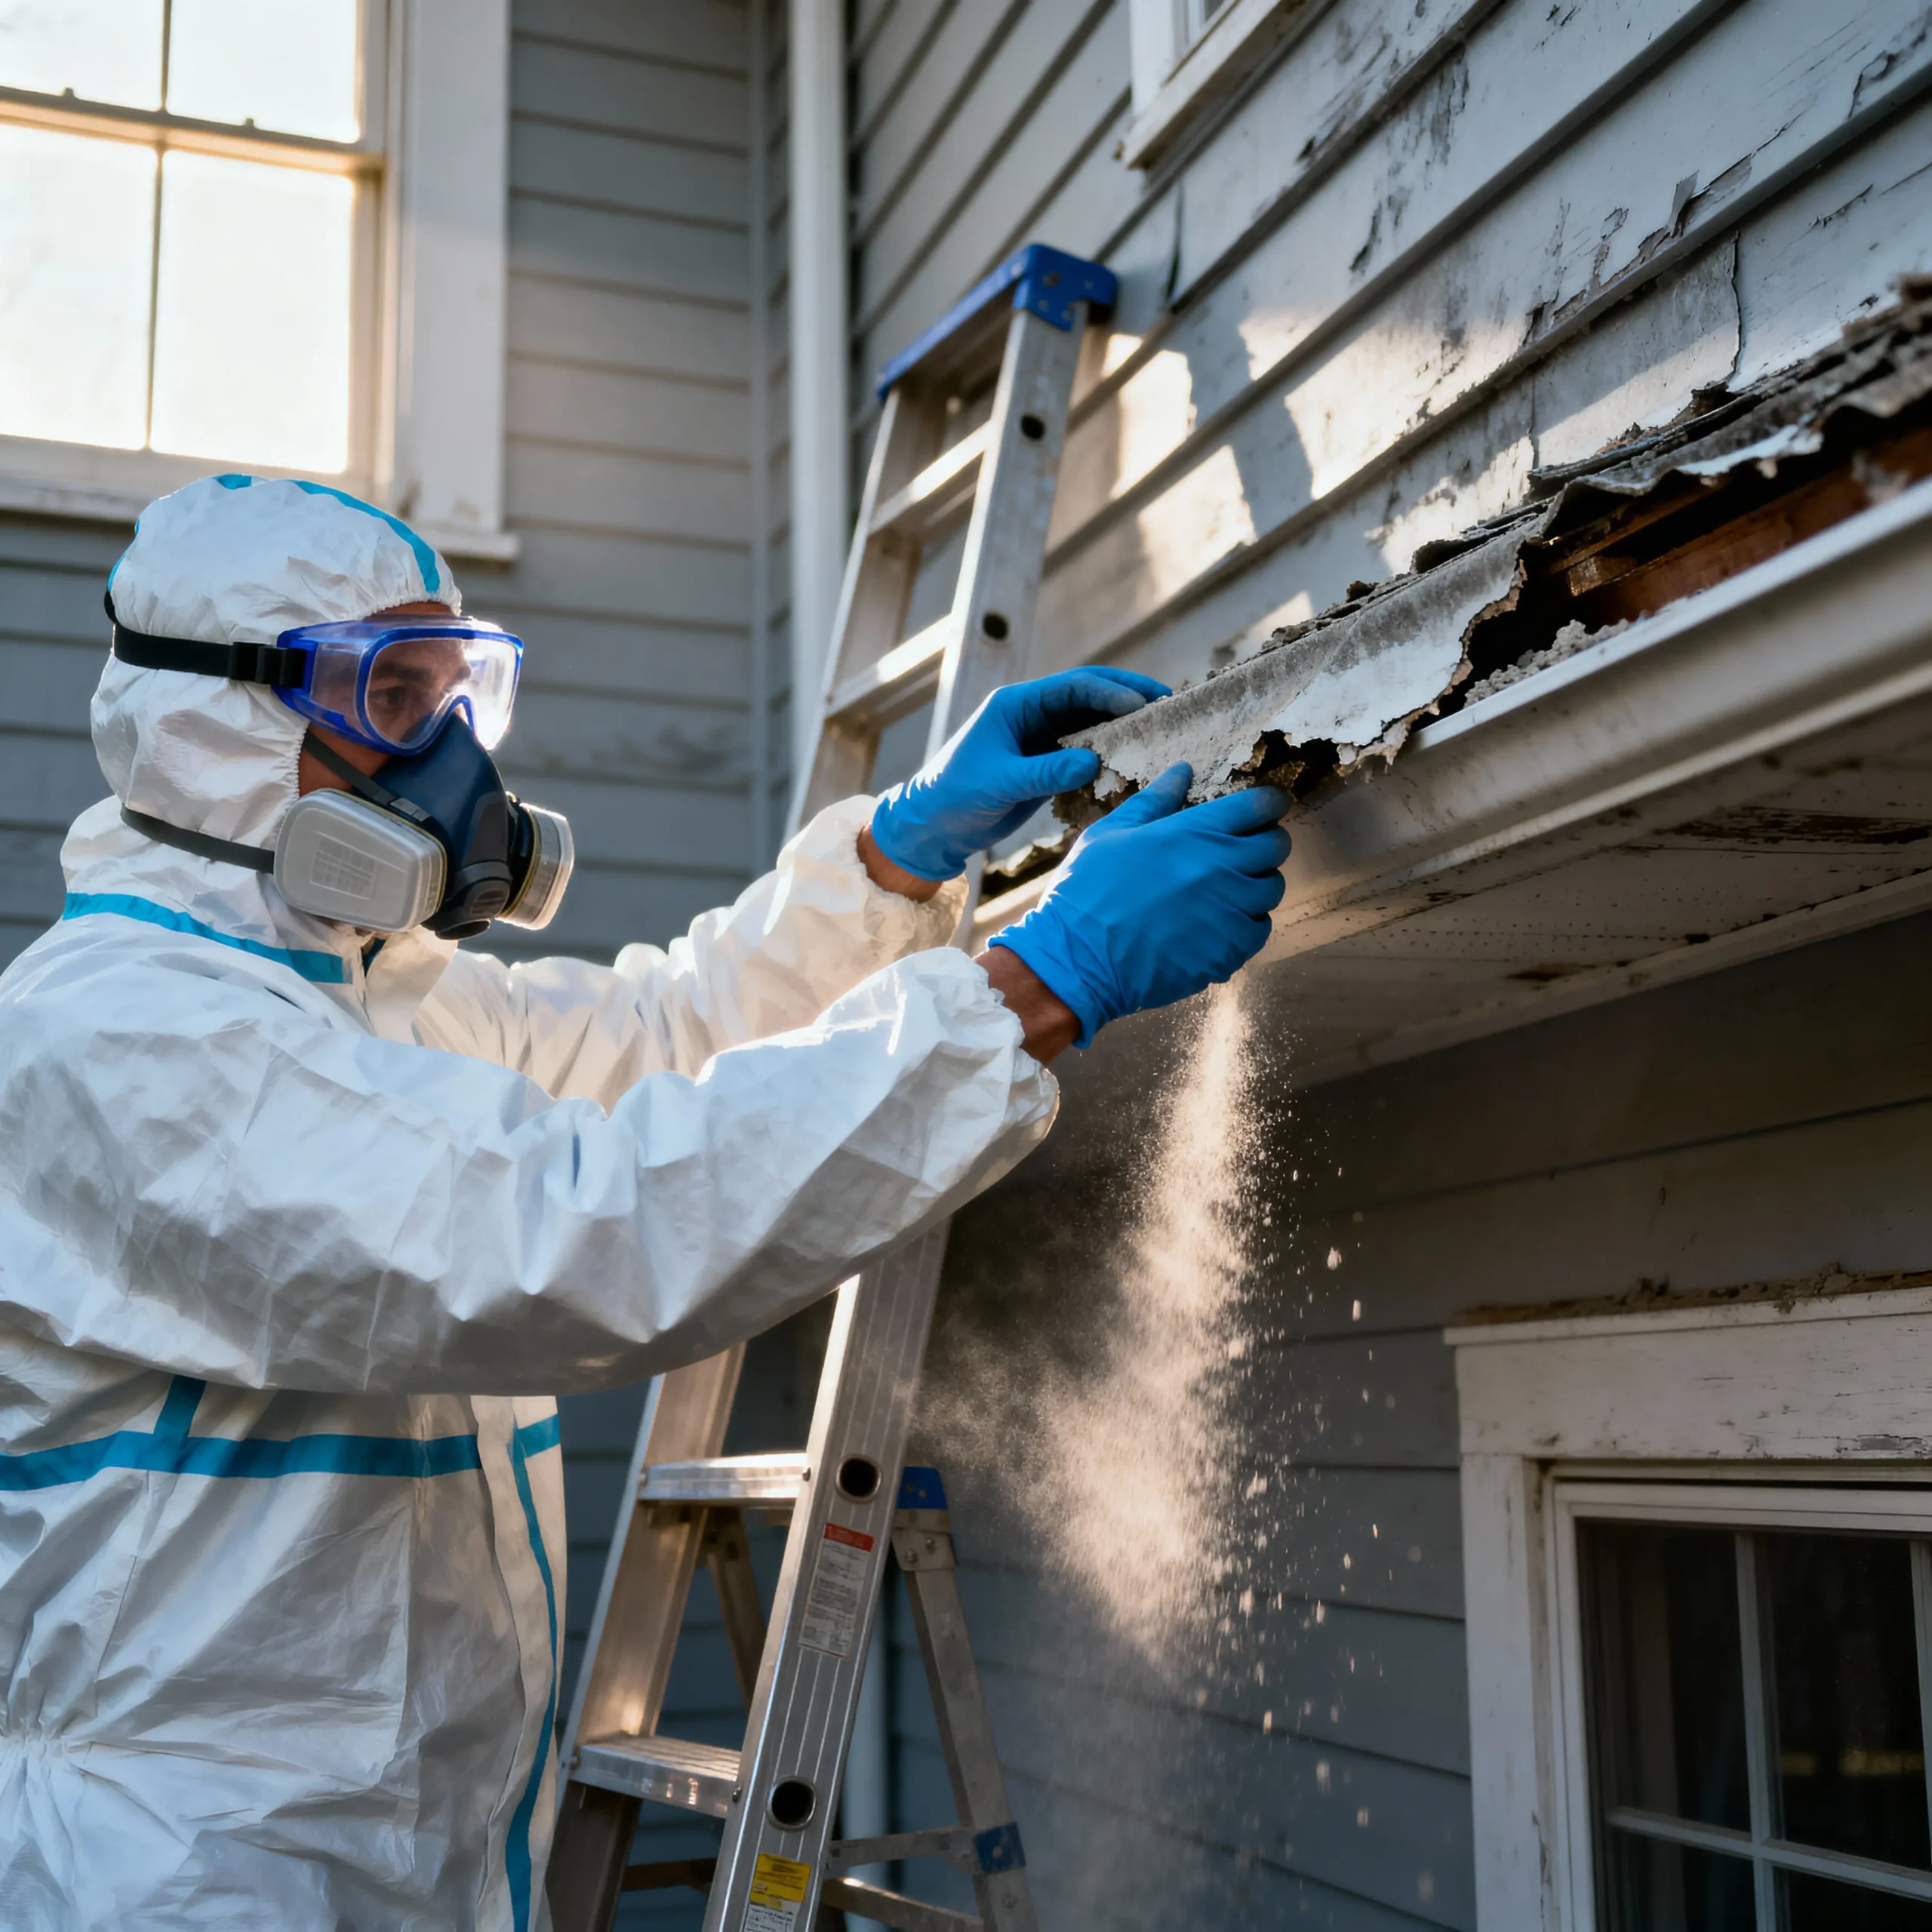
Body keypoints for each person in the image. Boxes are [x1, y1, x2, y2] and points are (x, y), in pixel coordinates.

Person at [0, 476, 1291, 1928]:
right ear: (214, 727)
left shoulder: (371, 997)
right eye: (389, 694)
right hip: (182, 1877)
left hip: (394, 1861)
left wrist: (900, 853)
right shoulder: (126, 1042)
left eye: (458, 692)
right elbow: (564, 1234)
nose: (441, 754)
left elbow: (658, 1043)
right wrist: (1033, 988)